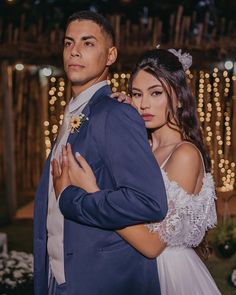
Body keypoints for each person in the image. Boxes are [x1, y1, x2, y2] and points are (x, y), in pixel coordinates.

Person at [58, 48, 221, 294]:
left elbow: (152, 246)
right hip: (132, 270)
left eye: (156, 93)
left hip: (170, 275)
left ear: (178, 96)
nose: (143, 104)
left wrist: (93, 192)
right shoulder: (142, 149)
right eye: (137, 94)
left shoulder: (185, 154)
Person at [34, 11, 167, 295]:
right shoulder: (76, 112)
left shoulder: (115, 113)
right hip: (59, 277)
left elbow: (149, 203)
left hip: (100, 280)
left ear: (110, 55)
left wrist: (71, 198)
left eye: (88, 43)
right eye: (69, 43)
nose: (75, 51)